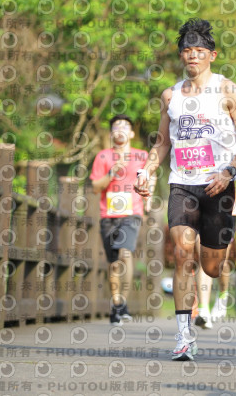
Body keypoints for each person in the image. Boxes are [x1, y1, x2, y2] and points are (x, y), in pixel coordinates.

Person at [134, 18, 236, 361]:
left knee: (212, 265)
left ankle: (213, 276)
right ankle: (184, 336)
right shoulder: (170, 96)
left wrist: (231, 170)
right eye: (187, 50)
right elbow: (162, 143)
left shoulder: (229, 91)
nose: (193, 56)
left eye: (199, 51)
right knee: (183, 255)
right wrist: (147, 169)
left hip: (219, 186)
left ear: (212, 56)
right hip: (182, 184)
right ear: (181, 55)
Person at [90, 114, 153, 326]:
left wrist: (148, 199)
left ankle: (122, 300)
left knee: (126, 253)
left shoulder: (142, 156)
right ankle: (117, 303)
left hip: (131, 213)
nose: (121, 130)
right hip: (108, 215)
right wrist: (111, 173)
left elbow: (149, 179)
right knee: (114, 261)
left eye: (125, 126)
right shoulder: (102, 157)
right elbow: (95, 186)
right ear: (111, 134)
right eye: (116, 127)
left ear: (132, 133)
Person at [194, 173, 236, 330]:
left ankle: (222, 295)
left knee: (221, 263)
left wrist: (225, 173)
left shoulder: (230, 148)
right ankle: (203, 310)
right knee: (203, 259)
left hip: (226, 208)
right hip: (200, 206)